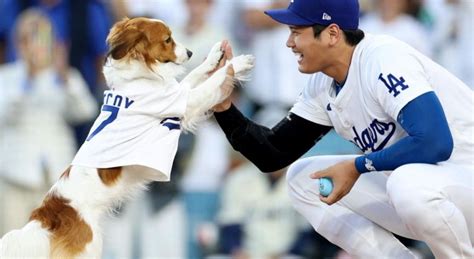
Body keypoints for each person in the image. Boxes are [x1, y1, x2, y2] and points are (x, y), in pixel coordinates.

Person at [212, 0, 474, 258]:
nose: (289, 43)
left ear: (332, 33)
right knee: (304, 180)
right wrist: (224, 107)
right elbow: (273, 153)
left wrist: (358, 166)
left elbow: (435, 142)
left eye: (296, 32)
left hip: (463, 177)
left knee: (406, 184)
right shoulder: (322, 83)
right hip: (428, 195)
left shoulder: (382, 58)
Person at [0, 8, 97, 235]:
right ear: (18, 43)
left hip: (55, 179)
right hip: (15, 176)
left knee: (55, 244)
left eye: (40, 38)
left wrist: (64, 77)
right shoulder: (7, 76)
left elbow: (85, 111)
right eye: (27, 39)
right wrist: (29, 78)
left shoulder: (64, 76)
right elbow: (5, 114)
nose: (33, 45)